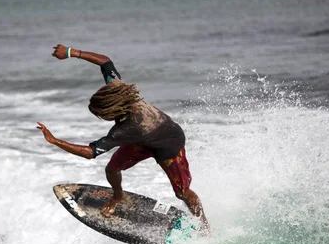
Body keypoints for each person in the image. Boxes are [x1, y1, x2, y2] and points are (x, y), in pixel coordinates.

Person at [37, 44, 209, 231]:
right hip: (144, 139)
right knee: (112, 169)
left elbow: (90, 152)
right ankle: (117, 196)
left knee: (182, 192)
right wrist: (71, 52)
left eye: (102, 114)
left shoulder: (126, 129)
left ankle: (205, 226)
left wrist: (54, 141)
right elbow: (105, 61)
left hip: (169, 144)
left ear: (113, 111)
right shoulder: (117, 88)